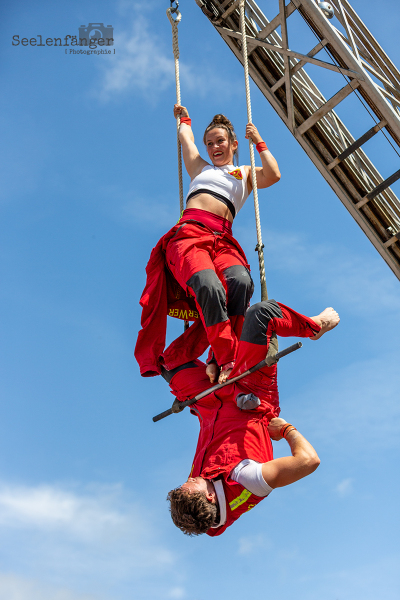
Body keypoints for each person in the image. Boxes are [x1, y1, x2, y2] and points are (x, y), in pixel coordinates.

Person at [164, 301, 340, 536]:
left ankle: (218, 317)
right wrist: (286, 429)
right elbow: (309, 461)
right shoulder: (249, 480)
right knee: (261, 314)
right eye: (192, 483)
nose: (192, 477)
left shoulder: (198, 502)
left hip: (210, 402)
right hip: (251, 393)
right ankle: (315, 327)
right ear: (209, 495)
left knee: (168, 362)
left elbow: (211, 438)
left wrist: (191, 406)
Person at [135, 106, 281, 384]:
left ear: (234, 144)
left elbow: (273, 175)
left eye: (220, 141)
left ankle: (217, 356)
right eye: (210, 143)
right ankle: (228, 357)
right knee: (209, 286)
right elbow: (186, 140)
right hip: (190, 235)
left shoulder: (244, 172)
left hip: (223, 240)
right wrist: (184, 120)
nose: (214, 147)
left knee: (241, 282)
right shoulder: (200, 169)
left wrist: (258, 140)